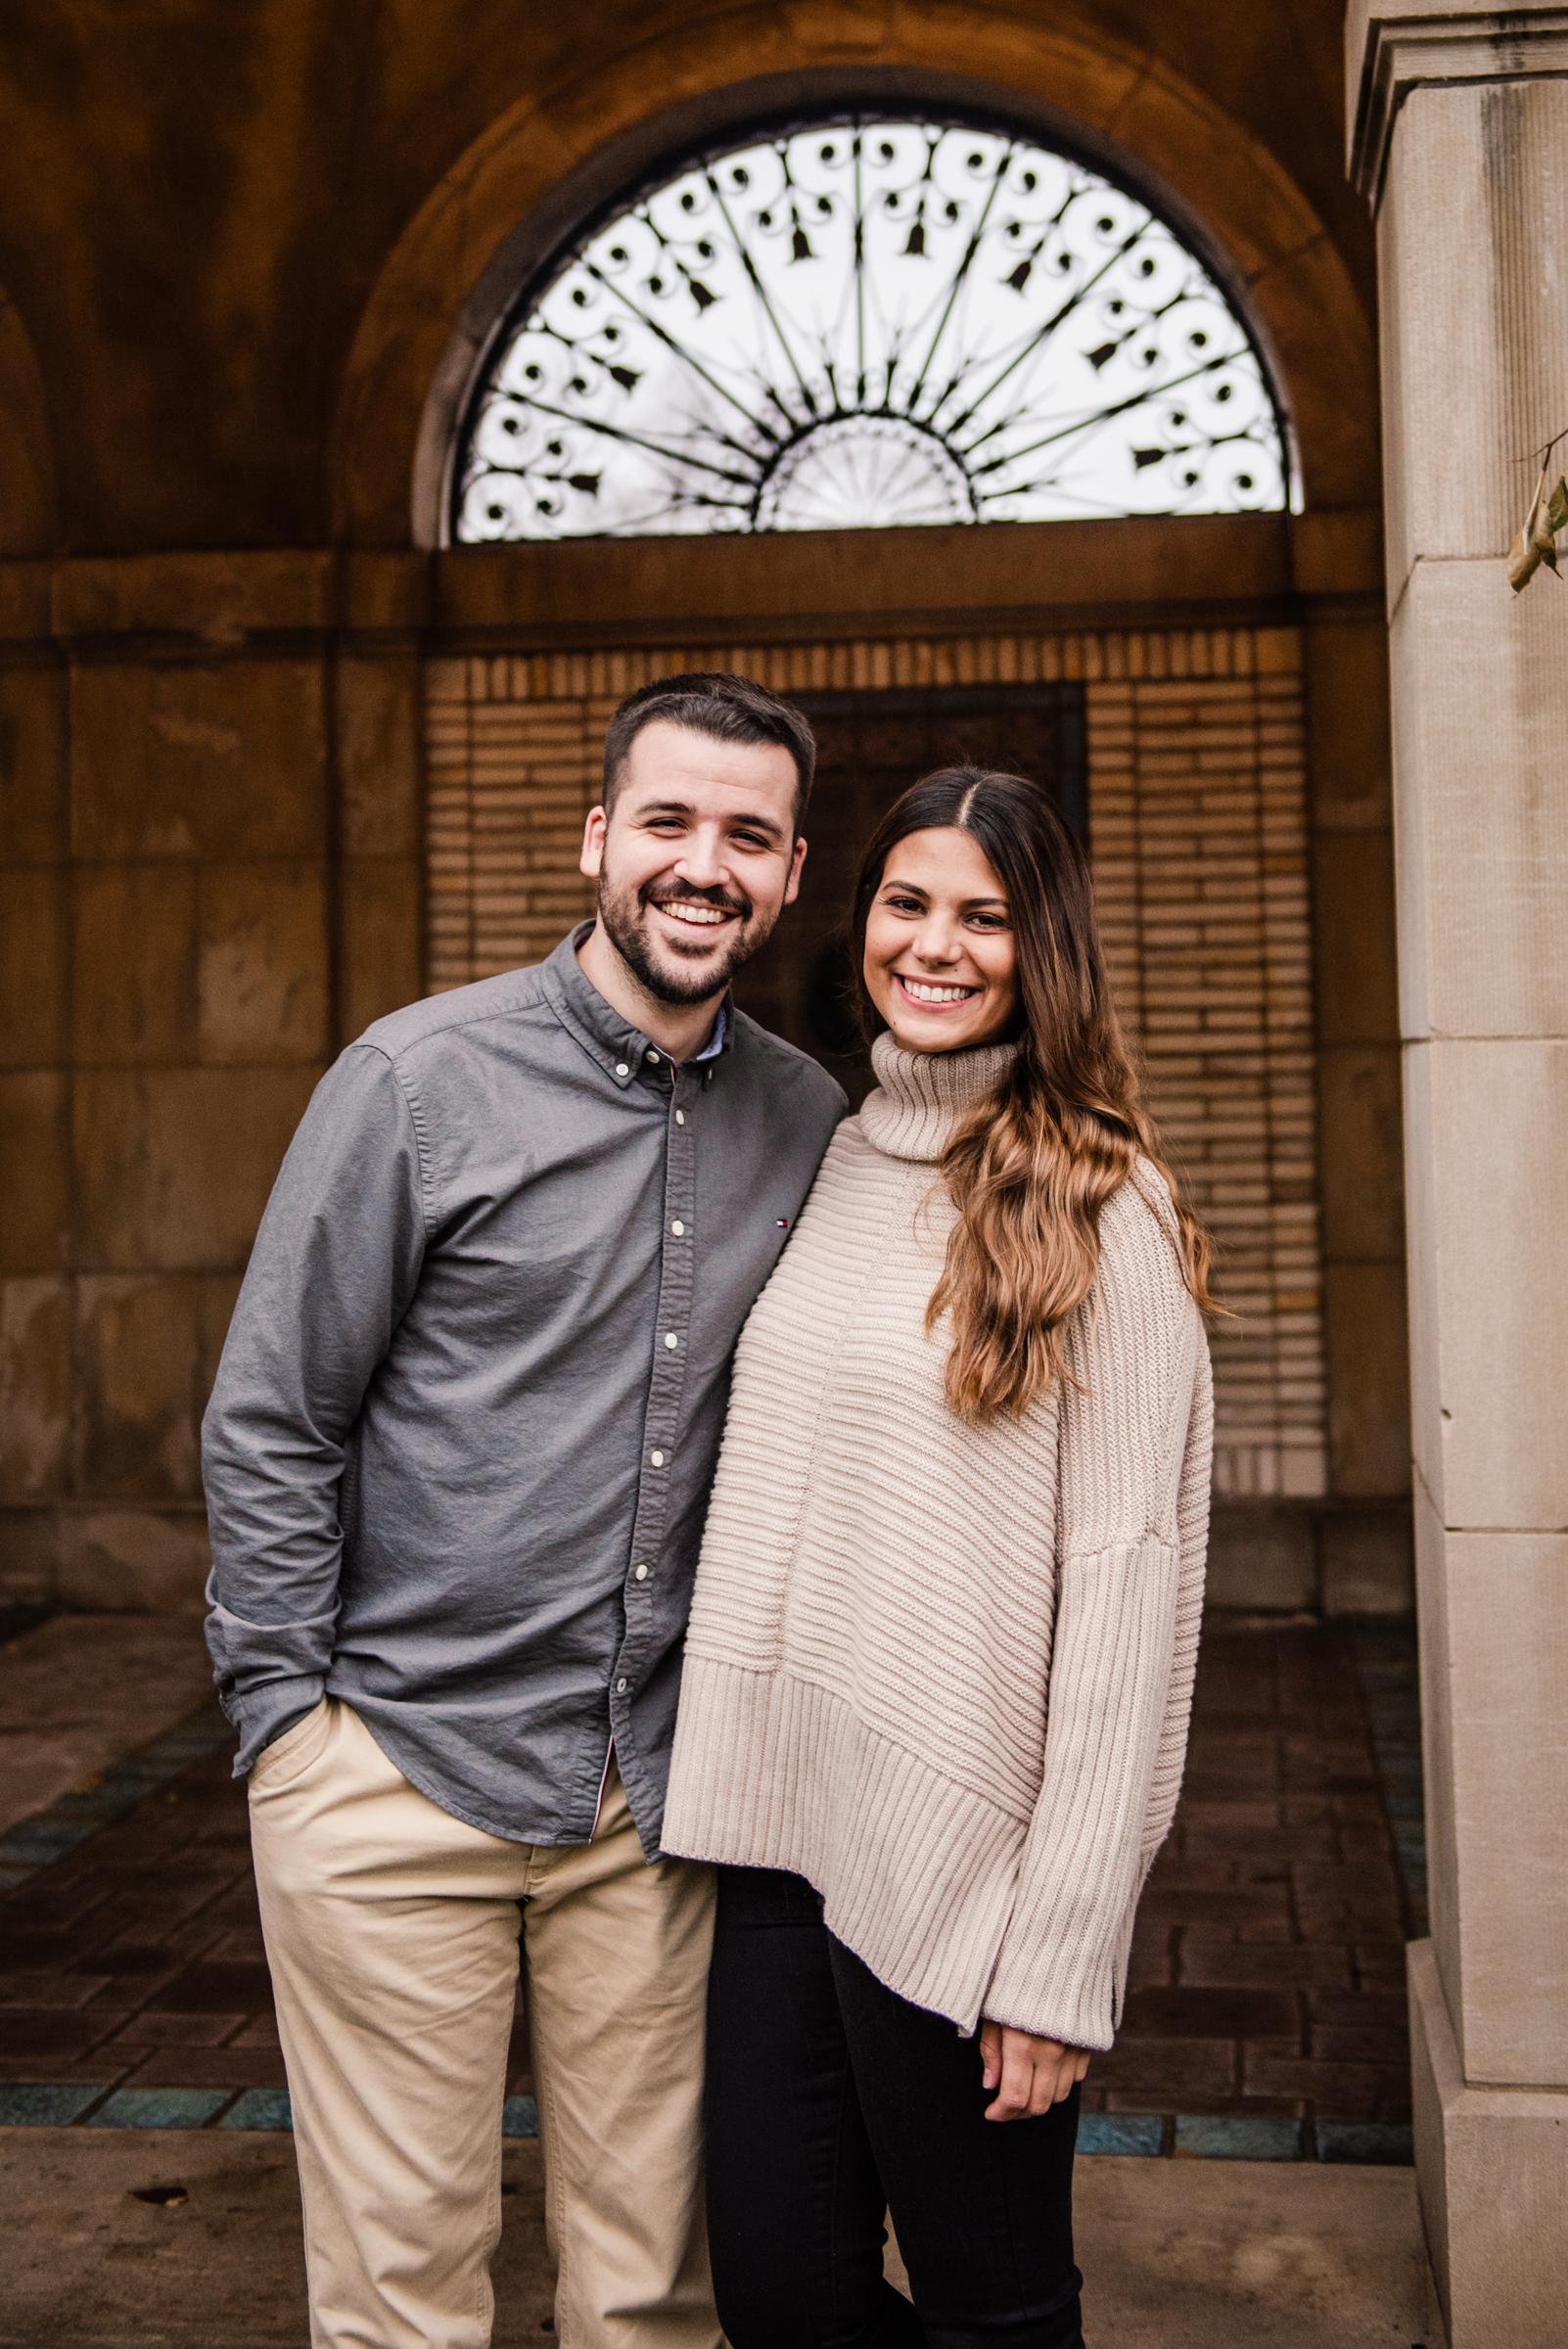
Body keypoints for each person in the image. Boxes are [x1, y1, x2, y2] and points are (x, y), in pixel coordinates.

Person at [201, 671, 846, 2349]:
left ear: (788, 876)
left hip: (650, 1809)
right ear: (597, 840)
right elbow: (276, 1413)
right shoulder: (414, 1081)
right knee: (403, 2306)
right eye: (668, 823)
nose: (701, 866)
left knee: (647, 2301)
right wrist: (287, 1726)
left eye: (745, 836)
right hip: (392, 1776)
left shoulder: (810, 1122)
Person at [663, 766, 1216, 2349]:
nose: (938, 945)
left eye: (984, 915)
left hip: (963, 1875)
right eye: (908, 903)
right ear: (860, 924)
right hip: (776, 1839)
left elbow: (1128, 1603)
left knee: (994, 2308)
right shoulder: (831, 1161)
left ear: (1041, 948)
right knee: (782, 2296)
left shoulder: (1100, 1210)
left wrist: (1058, 1956)